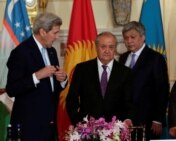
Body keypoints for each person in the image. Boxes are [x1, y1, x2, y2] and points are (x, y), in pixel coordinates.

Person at [5, 12, 67, 141]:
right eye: (55, 33)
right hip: (29, 127)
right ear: (43, 32)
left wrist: (62, 80)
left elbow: (51, 88)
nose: (57, 37)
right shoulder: (20, 53)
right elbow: (11, 89)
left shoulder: (52, 51)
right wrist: (36, 76)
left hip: (49, 125)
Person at [66, 31, 133, 128]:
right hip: (87, 129)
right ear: (96, 47)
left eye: (111, 47)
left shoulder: (125, 72)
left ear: (115, 49)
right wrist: (78, 122)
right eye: (103, 46)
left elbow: (129, 101)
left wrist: (128, 119)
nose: (107, 50)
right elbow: (71, 99)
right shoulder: (82, 69)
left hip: (115, 129)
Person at [119, 21, 170, 141]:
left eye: (133, 37)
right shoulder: (123, 57)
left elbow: (162, 90)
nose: (129, 41)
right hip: (125, 120)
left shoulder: (155, 58)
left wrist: (158, 118)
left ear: (143, 37)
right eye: (126, 38)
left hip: (148, 119)